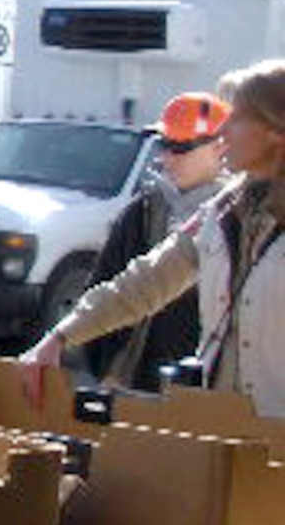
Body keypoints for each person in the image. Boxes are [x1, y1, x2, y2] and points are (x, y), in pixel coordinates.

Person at [21, 60, 285, 418]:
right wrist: (58, 338)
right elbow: (149, 280)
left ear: (276, 131)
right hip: (219, 430)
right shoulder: (223, 211)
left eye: (237, 119)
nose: (223, 134)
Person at [80, 91, 230, 390]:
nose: (167, 157)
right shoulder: (143, 211)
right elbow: (105, 285)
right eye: (164, 145)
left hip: (214, 392)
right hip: (136, 384)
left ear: (219, 148)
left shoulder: (242, 214)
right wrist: (108, 367)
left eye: (180, 147)